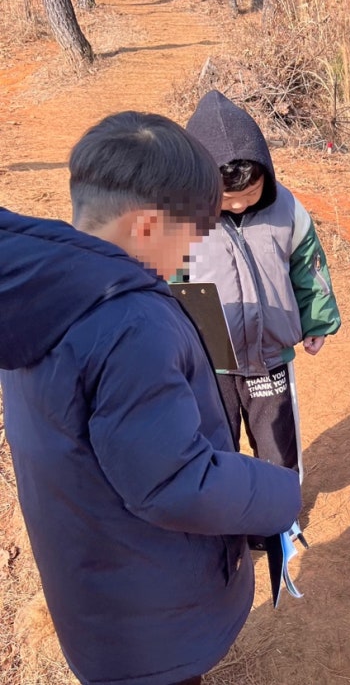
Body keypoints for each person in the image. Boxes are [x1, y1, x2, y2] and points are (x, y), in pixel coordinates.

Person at [0, 111, 302, 685]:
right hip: (152, 620)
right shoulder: (128, 323)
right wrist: (277, 491)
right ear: (144, 228)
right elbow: (172, 481)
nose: (190, 256)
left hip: (95, 583)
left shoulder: (41, 289)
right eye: (189, 237)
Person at [185, 90, 341, 479]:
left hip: (269, 354)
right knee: (213, 445)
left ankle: (279, 524)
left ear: (266, 175)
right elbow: (166, 285)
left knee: (278, 448)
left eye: (250, 194)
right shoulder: (179, 219)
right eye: (228, 199)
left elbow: (310, 268)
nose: (239, 205)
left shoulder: (286, 208)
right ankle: (223, 521)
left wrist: (317, 321)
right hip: (208, 360)